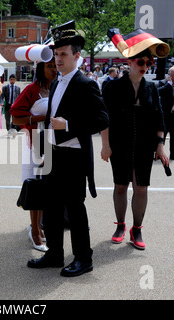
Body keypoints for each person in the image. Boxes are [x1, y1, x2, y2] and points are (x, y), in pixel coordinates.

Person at [27, 20, 109, 277]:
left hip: (74, 156)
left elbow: (102, 119)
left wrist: (69, 124)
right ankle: (54, 254)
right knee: (51, 207)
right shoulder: (56, 82)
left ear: (77, 56)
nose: (58, 59)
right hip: (53, 153)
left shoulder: (86, 84)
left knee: (74, 208)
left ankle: (84, 259)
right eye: (56, 54)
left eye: (63, 54)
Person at [101, 28, 170, 250]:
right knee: (120, 186)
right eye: (141, 62)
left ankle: (137, 229)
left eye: (148, 64)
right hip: (119, 144)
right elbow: (105, 118)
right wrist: (105, 145)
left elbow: (159, 117)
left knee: (141, 188)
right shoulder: (113, 87)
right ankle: (120, 225)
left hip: (143, 145)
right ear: (129, 62)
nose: (144, 67)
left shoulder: (152, 88)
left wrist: (160, 145)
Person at [11, 56, 57, 252]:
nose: (54, 69)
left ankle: (39, 226)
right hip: (37, 142)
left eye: (55, 66)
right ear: (41, 68)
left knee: (47, 188)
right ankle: (36, 232)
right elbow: (15, 117)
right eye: (50, 66)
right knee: (36, 187)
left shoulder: (57, 87)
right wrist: (39, 117)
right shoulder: (32, 90)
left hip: (55, 143)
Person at [158, 66, 174, 160]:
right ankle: (160, 153)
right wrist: (168, 84)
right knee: (162, 136)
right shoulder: (163, 83)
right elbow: (158, 92)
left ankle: (173, 155)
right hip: (165, 114)